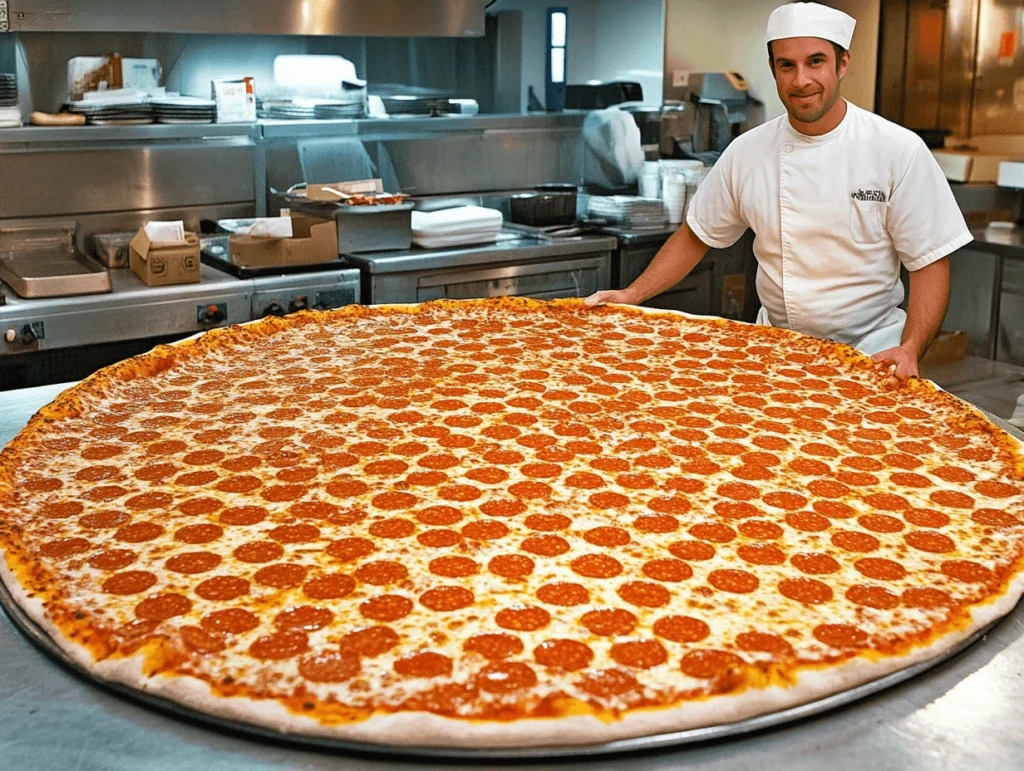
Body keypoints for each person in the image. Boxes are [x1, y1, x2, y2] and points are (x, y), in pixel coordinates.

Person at [586, 1, 971, 380]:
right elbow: (696, 236)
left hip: (872, 358)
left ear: (843, 64)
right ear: (774, 70)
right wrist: (632, 295)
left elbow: (929, 261)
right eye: (787, 65)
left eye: (815, 61)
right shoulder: (747, 152)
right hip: (775, 354)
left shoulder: (897, 150)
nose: (800, 80)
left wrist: (910, 347)